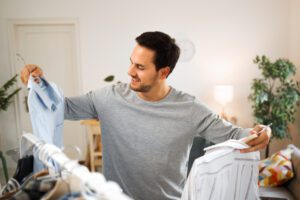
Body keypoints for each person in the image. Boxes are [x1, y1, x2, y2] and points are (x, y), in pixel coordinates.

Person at [21, 31, 271, 200]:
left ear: (163, 72)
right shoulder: (108, 98)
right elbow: (58, 107)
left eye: (140, 67)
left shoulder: (190, 109)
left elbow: (236, 135)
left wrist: (263, 131)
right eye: (131, 62)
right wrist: (37, 85)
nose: (130, 71)